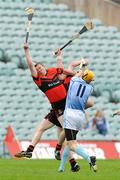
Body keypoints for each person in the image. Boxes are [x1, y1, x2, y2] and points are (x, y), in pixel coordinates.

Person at [15, 42, 88, 172]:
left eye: (40, 67)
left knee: (65, 135)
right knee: (41, 128)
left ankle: (69, 158)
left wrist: (61, 57)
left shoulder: (54, 72)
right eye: (37, 69)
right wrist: (26, 50)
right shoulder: (39, 79)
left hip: (66, 107)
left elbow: (63, 71)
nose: (38, 69)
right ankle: (30, 151)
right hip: (56, 109)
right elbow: (30, 64)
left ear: (44, 66)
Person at [58, 69, 97, 172]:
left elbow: (76, 75)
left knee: (71, 144)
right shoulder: (90, 88)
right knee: (68, 142)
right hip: (80, 116)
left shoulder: (74, 80)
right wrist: (82, 73)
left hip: (70, 114)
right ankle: (61, 168)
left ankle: (89, 158)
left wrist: (80, 70)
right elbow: (82, 78)